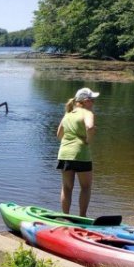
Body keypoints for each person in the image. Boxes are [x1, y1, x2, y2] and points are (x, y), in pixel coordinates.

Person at [56, 87, 99, 216]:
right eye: (92, 100)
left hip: (64, 154)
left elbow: (59, 135)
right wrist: (87, 140)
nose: (93, 103)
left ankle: (65, 217)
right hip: (81, 154)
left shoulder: (67, 115)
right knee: (85, 187)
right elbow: (90, 127)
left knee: (67, 188)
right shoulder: (87, 113)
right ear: (85, 101)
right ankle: (82, 216)